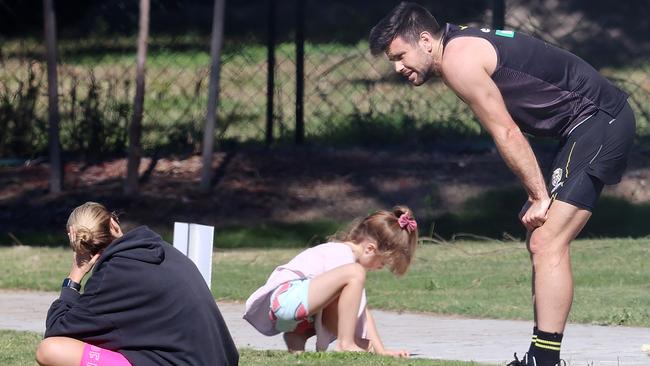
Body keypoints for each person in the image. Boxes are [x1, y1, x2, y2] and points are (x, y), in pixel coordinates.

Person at [369, 3, 635, 366]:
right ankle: (542, 357)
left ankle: (543, 361)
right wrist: (536, 193)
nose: (398, 67)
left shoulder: (459, 61)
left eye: (400, 55)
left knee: (547, 240)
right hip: (582, 129)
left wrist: (538, 195)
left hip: (599, 120)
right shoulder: (459, 46)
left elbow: (506, 130)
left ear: (426, 41)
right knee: (541, 240)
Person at [35, 202, 239, 366]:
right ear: (114, 224)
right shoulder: (163, 250)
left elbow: (58, 330)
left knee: (51, 350)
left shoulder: (113, 275)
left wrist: (76, 273)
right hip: (219, 359)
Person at [243, 206, 418, 357]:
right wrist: (359, 342)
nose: (380, 267)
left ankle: (296, 345)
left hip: (291, 311)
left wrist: (380, 350)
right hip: (287, 300)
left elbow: (361, 310)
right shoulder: (343, 256)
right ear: (370, 249)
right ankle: (345, 344)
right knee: (355, 274)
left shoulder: (341, 261)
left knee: (342, 300)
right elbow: (357, 311)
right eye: (382, 262)